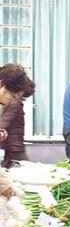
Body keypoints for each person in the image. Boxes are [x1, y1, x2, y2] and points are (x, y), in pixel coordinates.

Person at [0, 64, 35, 197]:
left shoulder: (3, 103)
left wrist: (5, 185)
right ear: (2, 85)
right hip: (13, 145)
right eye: (12, 95)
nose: (11, 100)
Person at [0, 94, 33, 168]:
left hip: (11, 142)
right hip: (14, 143)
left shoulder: (13, 102)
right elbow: (6, 120)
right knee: (26, 166)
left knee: (5, 165)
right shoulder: (14, 104)